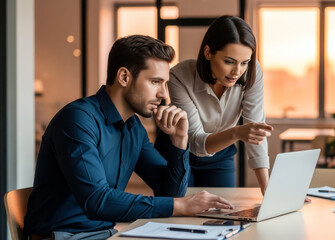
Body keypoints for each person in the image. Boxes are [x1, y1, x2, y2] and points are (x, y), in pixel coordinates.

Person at [24, 35, 233, 240]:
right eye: (155, 82)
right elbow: (97, 201)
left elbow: (169, 192)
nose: (163, 95)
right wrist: (179, 206)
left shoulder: (133, 127)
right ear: (124, 77)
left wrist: (179, 141)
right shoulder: (77, 119)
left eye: (164, 84)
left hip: (107, 234)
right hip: (64, 236)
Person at [166, 16, 273, 194]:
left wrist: (268, 190)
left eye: (244, 63)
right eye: (229, 61)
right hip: (180, 153)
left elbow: (256, 132)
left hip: (221, 154)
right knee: (180, 213)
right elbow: (196, 142)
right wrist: (237, 132)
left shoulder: (252, 72)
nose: (237, 72)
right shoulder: (178, 76)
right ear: (208, 52)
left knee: (223, 213)